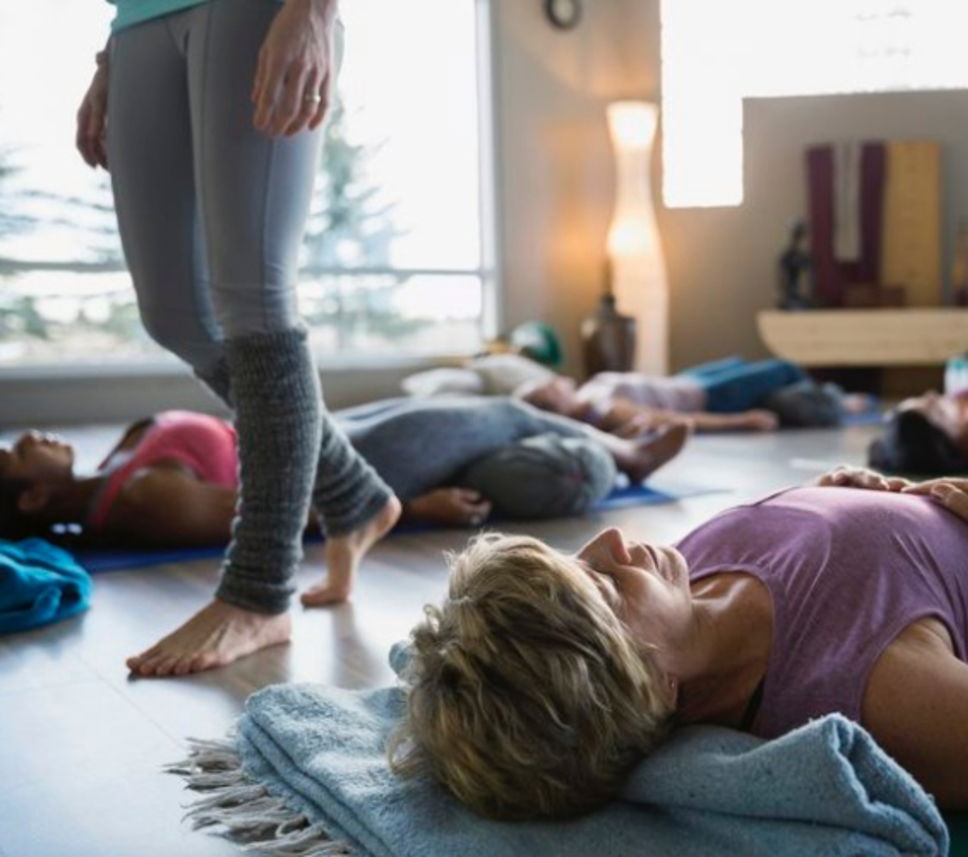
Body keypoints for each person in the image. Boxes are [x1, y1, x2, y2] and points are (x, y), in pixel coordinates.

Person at [388, 442, 968, 822]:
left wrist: (861, 507)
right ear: (654, 683)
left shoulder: (682, 579)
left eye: (577, 561)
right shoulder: (876, 690)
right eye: (604, 587)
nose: (609, 544)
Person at [76, 0, 403, 675]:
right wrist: (111, 51)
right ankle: (353, 494)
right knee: (174, 315)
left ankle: (259, 592)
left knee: (252, 292)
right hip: (138, 19)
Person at [0, 398, 688, 599]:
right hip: (356, 463)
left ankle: (604, 434)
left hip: (319, 427)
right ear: (33, 496)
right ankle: (629, 453)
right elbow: (289, 513)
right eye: (12, 450)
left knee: (486, 420)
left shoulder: (113, 465)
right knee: (505, 410)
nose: (25, 433)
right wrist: (416, 510)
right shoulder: (148, 499)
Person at [515, 357, 847, 435]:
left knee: (739, 362)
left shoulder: (589, 391)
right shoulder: (601, 408)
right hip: (708, 397)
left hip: (687, 381)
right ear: (555, 407)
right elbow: (674, 421)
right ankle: (840, 400)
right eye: (549, 388)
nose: (556, 380)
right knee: (782, 368)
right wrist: (741, 421)